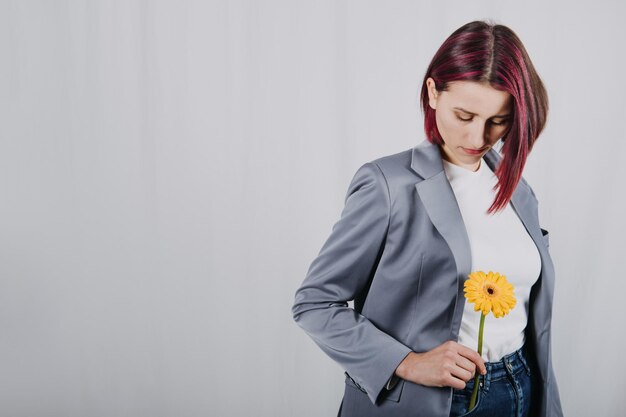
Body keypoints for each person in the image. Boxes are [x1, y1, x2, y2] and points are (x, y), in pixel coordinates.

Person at [291, 20, 563, 417]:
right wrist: (407, 362)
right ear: (433, 92)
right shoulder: (388, 185)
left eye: (498, 121)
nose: (477, 138)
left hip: (521, 388)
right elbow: (314, 303)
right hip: (433, 399)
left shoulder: (517, 189)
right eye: (464, 115)